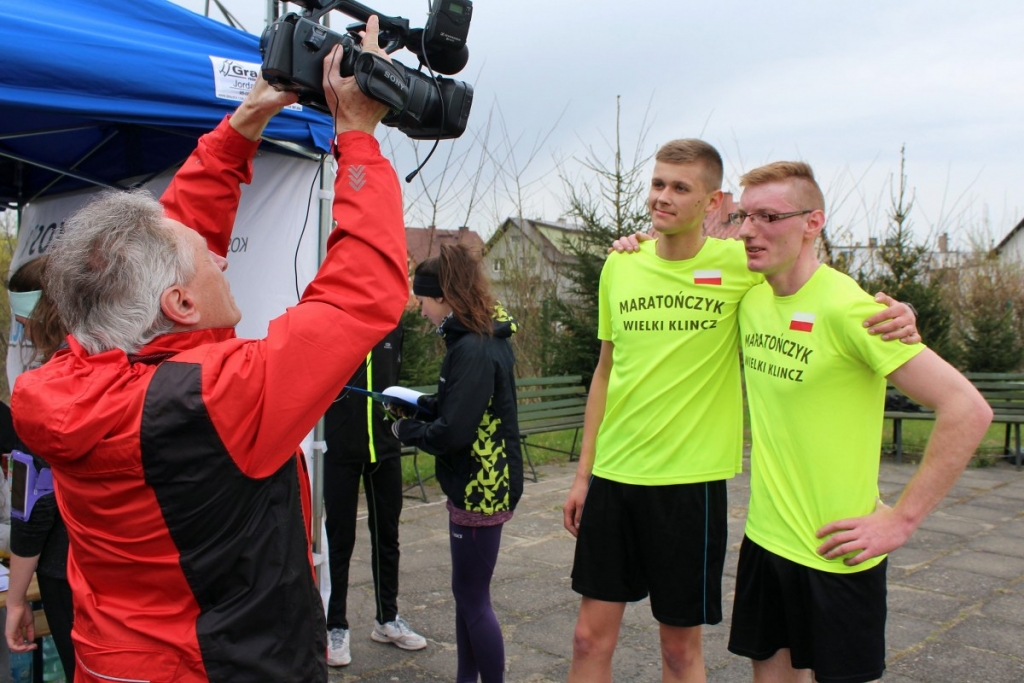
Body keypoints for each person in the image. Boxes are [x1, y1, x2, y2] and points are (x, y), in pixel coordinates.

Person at [9, 18, 408, 683]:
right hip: (225, 665)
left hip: (114, 661)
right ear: (181, 305)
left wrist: (248, 119)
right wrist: (359, 137)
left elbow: (176, 230)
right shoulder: (212, 400)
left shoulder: (73, 374)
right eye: (208, 259)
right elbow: (360, 293)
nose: (220, 258)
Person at [565, 139, 919, 683]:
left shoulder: (741, 264)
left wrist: (900, 311)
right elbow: (606, 371)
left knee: (678, 651)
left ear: (712, 202)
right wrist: (583, 475)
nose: (662, 197)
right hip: (615, 477)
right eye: (657, 184)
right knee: (587, 639)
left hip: (690, 486)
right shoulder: (622, 264)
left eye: (679, 187)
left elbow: (808, 281)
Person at [725, 161, 993, 683]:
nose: (750, 231)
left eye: (769, 217)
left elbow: (968, 409)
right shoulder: (750, 295)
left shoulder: (852, 310)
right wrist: (635, 241)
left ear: (813, 222)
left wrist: (902, 520)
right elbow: (683, 250)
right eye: (745, 216)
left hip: (837, 550)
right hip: (765, 540)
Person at [390, 243, 522, 683]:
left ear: (444, 297)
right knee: (467, 595)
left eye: (423, 300)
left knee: (473, 599)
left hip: (482, 484)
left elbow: (454, 432)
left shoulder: (474, 347)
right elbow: (464, 404)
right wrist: (420, 406)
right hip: (477, 480)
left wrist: (406, 431)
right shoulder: (474, 337)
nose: (421, 309)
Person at [322, 323, 427, 667]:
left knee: (387, 537)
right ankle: (335, 625)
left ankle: (387, 619)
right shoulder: (334, 325)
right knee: (339, 540)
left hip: (385, 449)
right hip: (340, 449)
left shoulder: (393, 328)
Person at [4, 255, 76, 681]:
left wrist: (16, 600)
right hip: (133, 565)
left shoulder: (43, 390)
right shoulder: (134, 367)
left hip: (67, 569)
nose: (23, 335)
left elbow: (31, 504)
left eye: (23, 323)